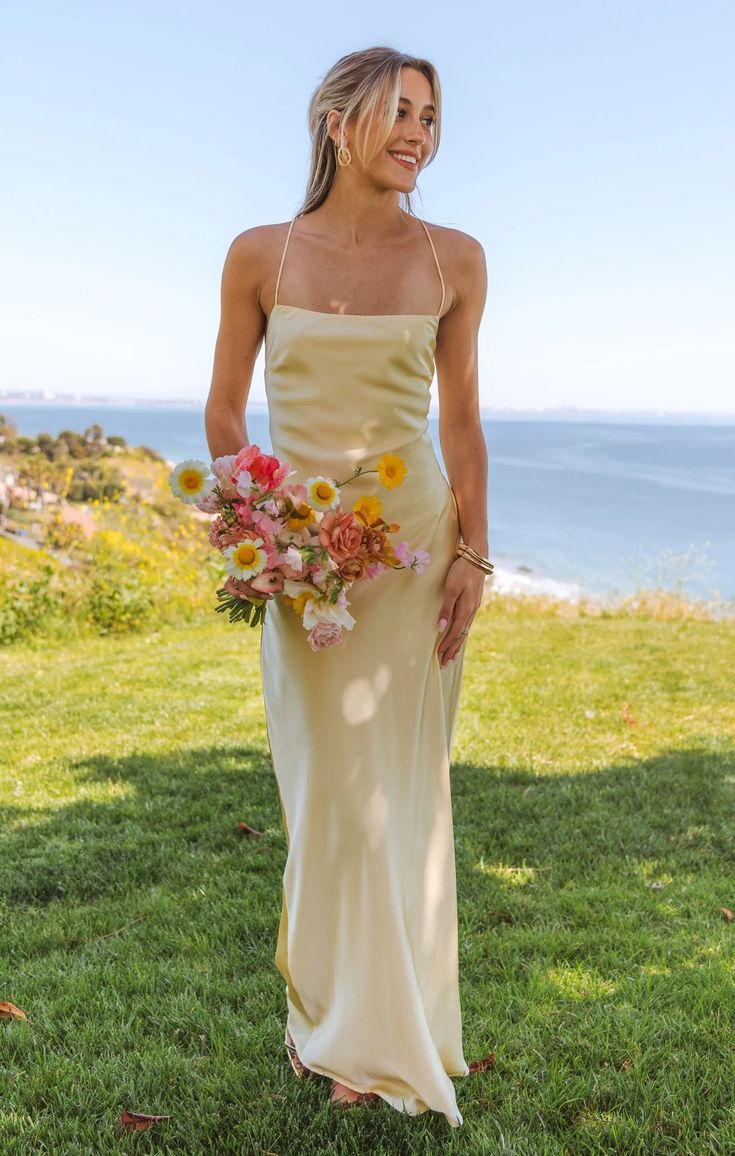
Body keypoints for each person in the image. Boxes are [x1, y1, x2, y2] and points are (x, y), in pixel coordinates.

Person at [204, 45, 489, 1128]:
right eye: (396, 111)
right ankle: (327, 1013)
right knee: (326, 791)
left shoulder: (455, 258)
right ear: (335, 121)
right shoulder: (259, 256)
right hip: (303, 559)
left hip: (412, 551)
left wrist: (474, 555)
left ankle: (382, 1034)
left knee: (400, 793)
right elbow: (226, 414)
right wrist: (262, 524)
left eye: (431, 114)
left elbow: (461, 423)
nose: (418, 131)